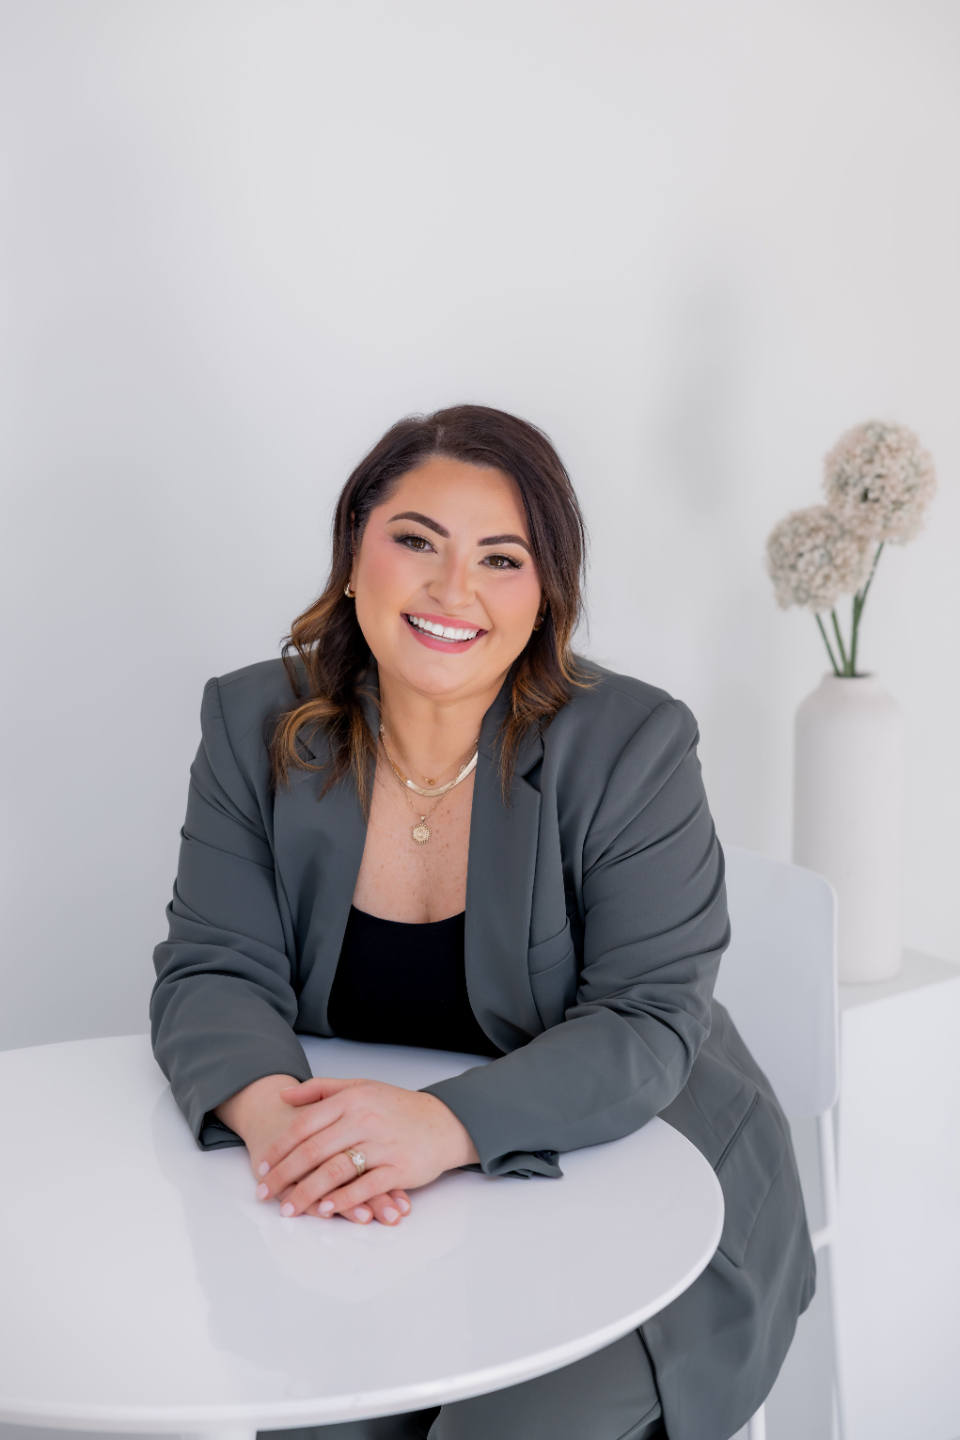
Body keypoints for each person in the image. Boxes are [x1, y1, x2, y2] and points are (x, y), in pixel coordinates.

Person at [151, 405, 815, 1440]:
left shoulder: (632, 744)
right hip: (381, 1206)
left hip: (639, 1178)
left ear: (544, 596)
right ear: (355, 549)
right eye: (417, 540)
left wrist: (440, 1127)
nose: (452, 589)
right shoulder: (253, 723)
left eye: (501, 559)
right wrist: (281, 1124)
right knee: (316, 1415)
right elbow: (213, 967)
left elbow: (646, 1020)